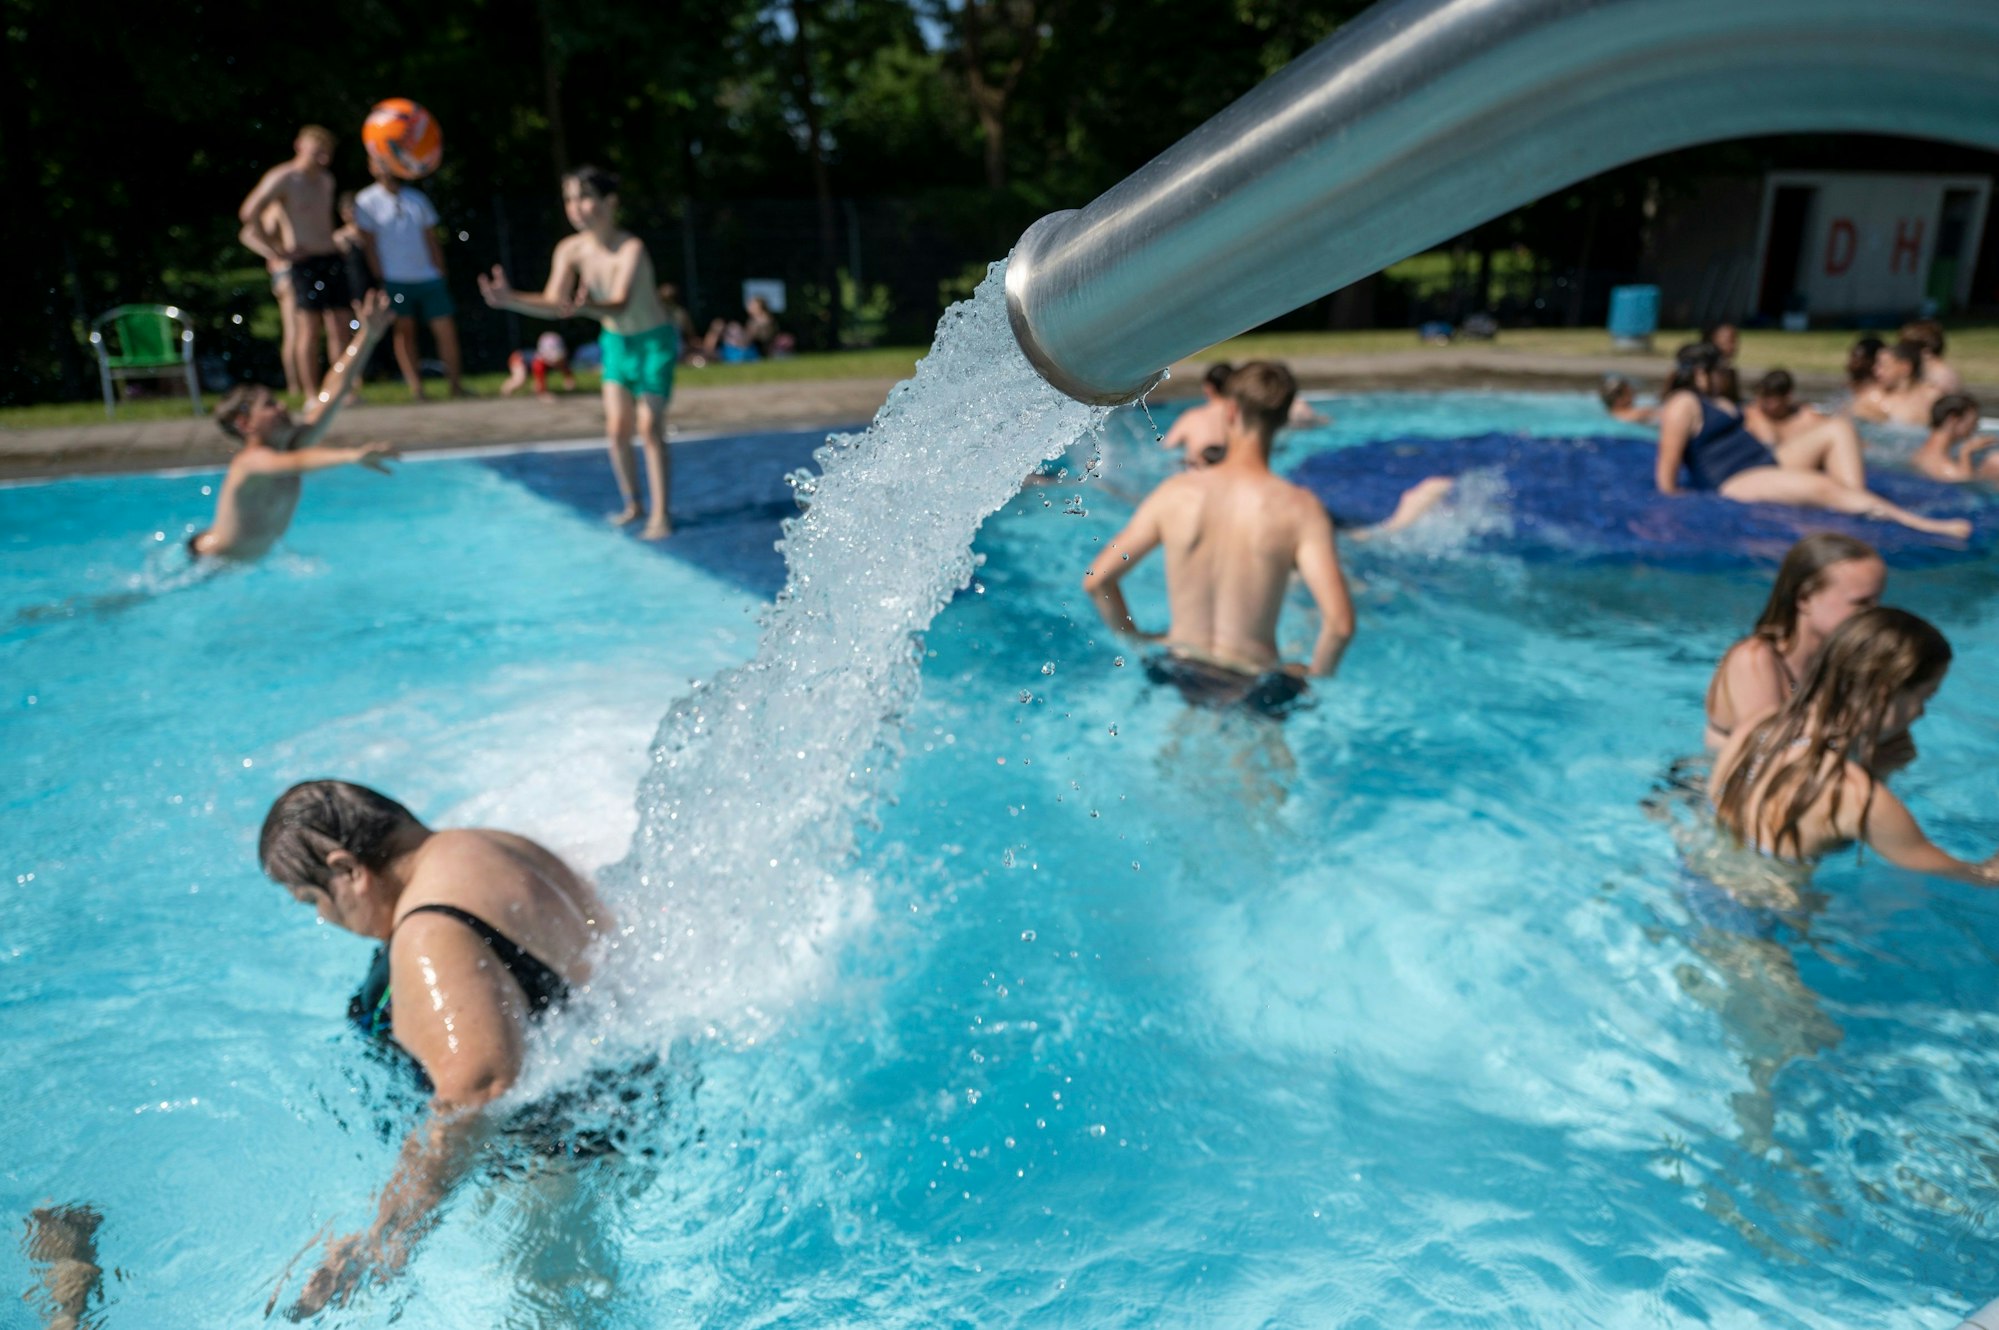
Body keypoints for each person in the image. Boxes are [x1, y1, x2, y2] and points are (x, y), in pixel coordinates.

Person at [257, 780, 613, 1316]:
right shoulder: (493, 845)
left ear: (347, 868)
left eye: (313, 899)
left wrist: (389, 1234)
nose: (322, 919)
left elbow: (480, 1085)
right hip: (613, 1110)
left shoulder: (429, 932)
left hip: (556, 1169)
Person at [1084, 361, 1355, 716]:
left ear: (1230, 410)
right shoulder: (1299, 510)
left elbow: (1097, 580)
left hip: (1180, 668)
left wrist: (1136, 638)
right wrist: (1313, 676)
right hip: (1255, 682)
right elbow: (1339, 624)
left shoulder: (1175, 494)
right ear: (1285, 417)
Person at [1709, 608, 1998, 884]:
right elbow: (1977, 877)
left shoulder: (1759, 727)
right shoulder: (1858, 797)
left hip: (1700, 877)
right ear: (1885, 693)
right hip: (1764, 922)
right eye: (1925, 697)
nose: (1921, 713)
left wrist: (1875, 768)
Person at [480, 165, 676, 539]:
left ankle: (660, 514)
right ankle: (633, 503)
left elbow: (618, 303)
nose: (576, 207)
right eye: (570, 199)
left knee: (650, 427)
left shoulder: (629, 248)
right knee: (617, 428)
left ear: (610, 202)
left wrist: (587, 308)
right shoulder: (570, 250)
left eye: (585, 197)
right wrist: (511, 300)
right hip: (616, 344)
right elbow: (555, 303)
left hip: (653, 343)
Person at [1654, 342, 1969, 540]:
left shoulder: (1715, 398)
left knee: (1838, 429)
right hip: (1732, 479)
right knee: (1822, 487)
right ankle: (1922, 525)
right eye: (1720, 369)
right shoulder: (1682, 403)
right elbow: (1667, 474)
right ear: (1701, 371)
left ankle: (1859, 501)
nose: (1727, 374)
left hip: (1763, 460)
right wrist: (1683, 503)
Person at [188, 290, 400, 562]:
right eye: (269, 405)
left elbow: (333, 391)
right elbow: (296, 462)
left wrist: (366, 337)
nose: (283, 407)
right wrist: (351, 455)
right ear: (245, 423)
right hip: (209, 563)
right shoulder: (249, 463)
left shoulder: (295, 442)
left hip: (247, 563)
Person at [1703, 532, 1883, 750]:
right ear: (1805, 598)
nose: (1875, 614)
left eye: (1877, 601)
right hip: (1707, 780)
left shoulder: (1845, 660)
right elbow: (1764, 751)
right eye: (1861, 603)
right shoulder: (1753, 659)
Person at [238, 126, 351, 405]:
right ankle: (311, 394)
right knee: (308, 330)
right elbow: (248, 213)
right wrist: (275, 251)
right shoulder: (285, 178)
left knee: (340, 327)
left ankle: (339, 391)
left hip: (330, 257)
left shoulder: (326, 180)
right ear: (300, 146)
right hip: (305, 261)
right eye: (318, 152)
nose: (323, 159)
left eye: (327, 153)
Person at [352, 159, 464, 399]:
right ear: (372, 167)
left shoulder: (417, 198)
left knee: (445, 330)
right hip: (394, 278)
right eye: (380, 163)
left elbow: (431, 237)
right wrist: (380, 276)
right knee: (405, 333)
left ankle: (456, 386)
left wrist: (440, 270)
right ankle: (417, 389)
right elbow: (368, 243)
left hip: (428, 277)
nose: (386, 168)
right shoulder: (366, 200)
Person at [1913, 393, 1999, 483]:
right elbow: (1965, 483)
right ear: (1953, 420)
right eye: (1973, 422)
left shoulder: (1918, 454)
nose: (1975, 427)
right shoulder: (1947, 469)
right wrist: (1965, 453)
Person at [1160, 363, 1233, 468]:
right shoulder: (1242, 418)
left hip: (1198, 475)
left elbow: (1166, 447)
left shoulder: (1192, 417)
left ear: (1208, 387)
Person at [1852, 339, 1939, 426]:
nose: (1876, 371)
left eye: (1882, 366)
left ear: (1905, 367)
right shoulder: (1871, 399)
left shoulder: (1932, 397)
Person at [1741, 369, 1826, 445]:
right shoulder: (1751, 415)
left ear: (1787, 398)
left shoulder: (1808, 418)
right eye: (1760, 396)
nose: (1761, 403)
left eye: (1768, 398)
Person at [500, 331, 578, 399]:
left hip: (527, 362)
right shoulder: (539, 363)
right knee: (519, 380)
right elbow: (540, 380)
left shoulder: (560, 361)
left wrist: (569, 380)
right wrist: (543, 394)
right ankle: (505, 391)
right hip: (518, 358)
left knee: (535, 383)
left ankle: (534, 391)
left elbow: (566, 371)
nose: (556, 361)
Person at [1900, 318, 1962, 394]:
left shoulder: (1940, 378)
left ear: (1926, 352)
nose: (1904, 353)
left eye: (1908, 349)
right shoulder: (1928, 372)